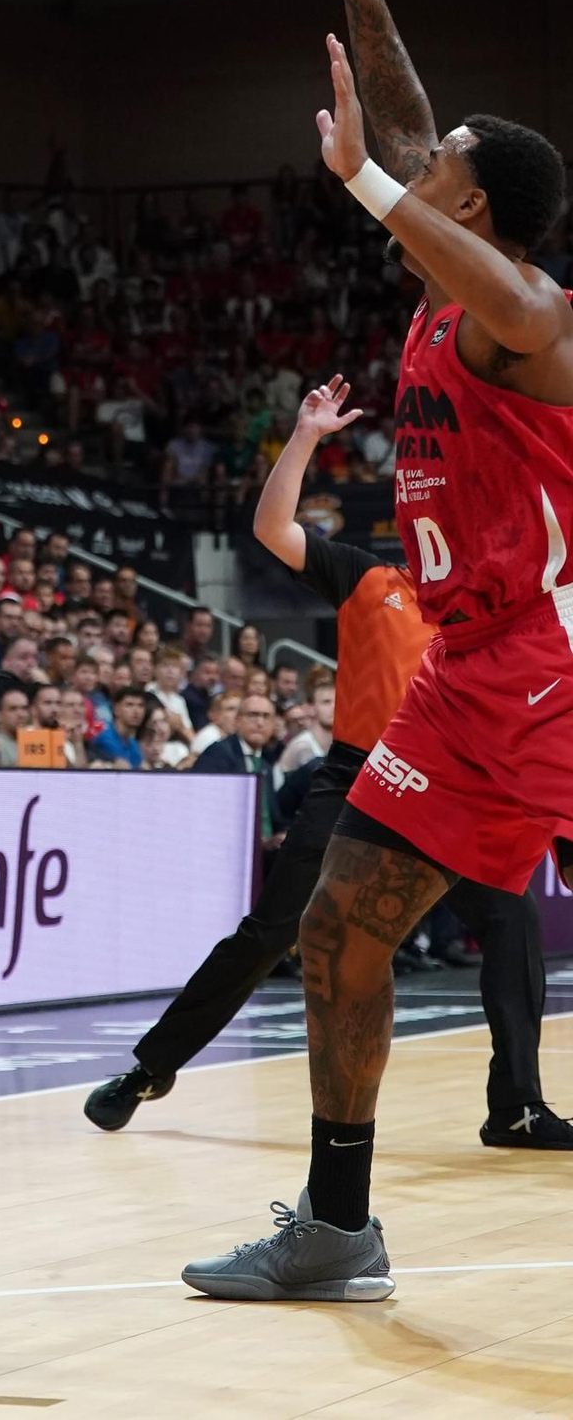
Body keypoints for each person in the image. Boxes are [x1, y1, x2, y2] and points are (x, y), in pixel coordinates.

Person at [184, 0, 573, 1302]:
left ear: (469, 211)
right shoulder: (454, 267)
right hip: (481, 671)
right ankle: (340, 1224)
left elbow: (500, 271)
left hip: (536, 667)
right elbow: (413, 131)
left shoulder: (526, 315)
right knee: (344, 918)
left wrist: (363, 187)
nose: (423, 167)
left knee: (352, 915)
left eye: (442, 175)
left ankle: (340, 1225)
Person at [91, 373, 570, 1152]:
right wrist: (307, 436)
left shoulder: (501, 611)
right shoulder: (367, 577)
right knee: (272, 928)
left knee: (513, 922)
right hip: (360, 782)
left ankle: (516, 1105)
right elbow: (272, 525)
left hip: (463, 784)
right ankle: (150, 1067)